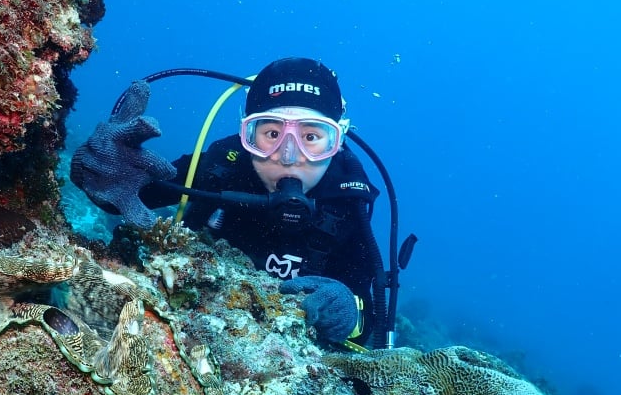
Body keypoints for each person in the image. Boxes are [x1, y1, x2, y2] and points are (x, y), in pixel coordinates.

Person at [70, 57, 389, 350]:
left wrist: (347, 308)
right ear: (246, 133)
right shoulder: (219, 169)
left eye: (311, 137)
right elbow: (122, 200)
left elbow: (366, 325)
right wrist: (101, 169)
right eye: (272, 133)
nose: (288, 157)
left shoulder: (347, 201)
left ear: (337, 141)